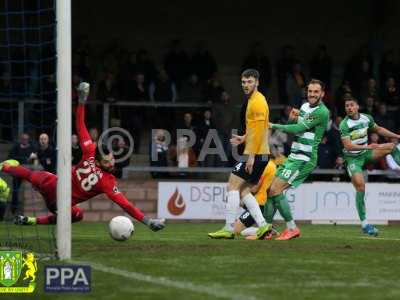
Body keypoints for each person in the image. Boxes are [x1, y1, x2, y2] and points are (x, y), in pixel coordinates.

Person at [0, 82, 165, 231]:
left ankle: (5, 167)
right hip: (59, 204)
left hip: (51, 184)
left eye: (112, 159)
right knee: (77, 215)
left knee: (30, 174)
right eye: (107, 162)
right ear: (99, 162)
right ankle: (32, 220)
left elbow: (80, 124)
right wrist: (148, 221)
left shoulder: (89, 151)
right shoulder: (107, 182)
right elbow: (125, 204)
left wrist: (81, 102)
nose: (111, 163)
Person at [208, 69, 271, 239]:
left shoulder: (256, 102)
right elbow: (258, 128)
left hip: (256, 154)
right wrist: (244, 138)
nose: (246, 85)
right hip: (261, 154)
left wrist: (250, 156)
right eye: (243, 82)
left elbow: (258, 132)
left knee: (232, 186)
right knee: (243, 191)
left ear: (257, 82)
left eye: (249, 81)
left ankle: (228, 229)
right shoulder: (256, 99)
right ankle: (263, 226)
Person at [266, 79, 330, 240]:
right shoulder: (304, 107)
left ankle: (292, 228)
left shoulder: (323, 112)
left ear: (322, 93)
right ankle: (265, 230)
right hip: (294, 155)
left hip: (305, 159)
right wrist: (291, 119)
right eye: (310, 91)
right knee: (270, 189)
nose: (312, 94)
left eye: (316, 92)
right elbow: (294, 128)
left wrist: (274, 125)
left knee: (275, 190)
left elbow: (300, 128)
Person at [339, 97, 400, 236]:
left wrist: (397, 135)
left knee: (391, 146)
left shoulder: (366, 118)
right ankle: (365, 225)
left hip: (365, 153)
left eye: (351, 105)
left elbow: (378, 129)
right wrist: (368, 147)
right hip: (353, 158)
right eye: (346, 106)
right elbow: (348, 146)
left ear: (357, 106)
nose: (349, 108)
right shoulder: (344, 124)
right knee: (360, 186)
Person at [233, 159, 277, 238]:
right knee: (236, 228)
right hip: (265, 202)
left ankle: (268, 231)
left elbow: (255, 188)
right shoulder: (273, 165)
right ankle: (266, 229)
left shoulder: (263, 165)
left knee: (235, 230)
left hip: (258, 202)